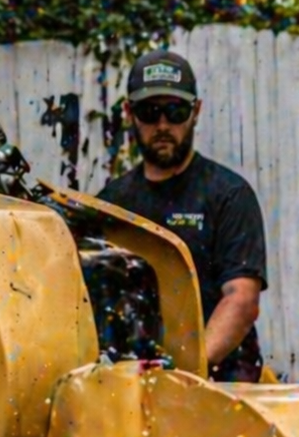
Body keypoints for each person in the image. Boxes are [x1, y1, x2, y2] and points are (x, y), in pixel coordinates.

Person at [98, 49, 268, 383]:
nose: (163, 125)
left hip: (221, 383)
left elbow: (242, 298)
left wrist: (189, 372)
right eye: (150, 112)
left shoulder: (229, 195)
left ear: (196, 112)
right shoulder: (112, 204)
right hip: (132, 384)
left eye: (175, 112)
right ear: (129, 113)